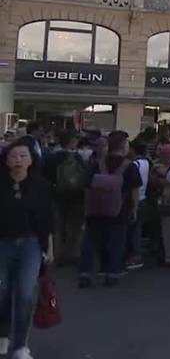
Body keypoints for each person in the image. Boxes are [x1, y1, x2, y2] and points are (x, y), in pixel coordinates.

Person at [0, 140, 54, 359]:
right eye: (13, 156)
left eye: (23, 156)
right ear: (6, 160)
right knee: (2, 291)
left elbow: (47, 220)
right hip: (3, 243)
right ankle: (3, 334)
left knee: (24, 293)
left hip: (31, 244)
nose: (18, 160)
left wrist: (49, 248)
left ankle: (21, 345)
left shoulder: (41, 186)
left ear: (32, 160)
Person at [78, 132, 141, 288]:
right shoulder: (129, 166)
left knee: (90, 241)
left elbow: (87, 187)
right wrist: (134, 209)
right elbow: (134, 191)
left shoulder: (97, 164)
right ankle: (112, 273)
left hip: (95, 209)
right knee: (116, 243)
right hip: (119, 210)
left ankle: (85, 273)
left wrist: (87, 208)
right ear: (123, 146)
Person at [43, 131, 85, 266]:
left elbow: (46, 176)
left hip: (56, 195)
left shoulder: (51, 157)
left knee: (57, 226)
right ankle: (72, 253)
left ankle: (56, 253)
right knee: (74, 226)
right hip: (76, 196)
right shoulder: (78, 157)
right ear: (72, 141)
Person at [125, 140, 151, 271]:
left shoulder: (134, 165)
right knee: (136, 229)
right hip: (143, 197)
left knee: (132, 229)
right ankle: (135, 254)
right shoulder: (146, 162)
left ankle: (134, 255)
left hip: (134, 199)